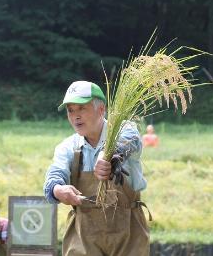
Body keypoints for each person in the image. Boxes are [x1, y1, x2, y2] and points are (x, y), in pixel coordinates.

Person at [43, 80, 151, 256]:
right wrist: (58, 189)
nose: (75, 116)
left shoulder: (125, 130)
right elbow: (55, 174)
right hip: (84, 236)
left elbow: (129, 141)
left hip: (128, 234)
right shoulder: (68, 147)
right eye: (71, 110)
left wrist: (110, 155)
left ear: (101, 110)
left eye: (82, 109)